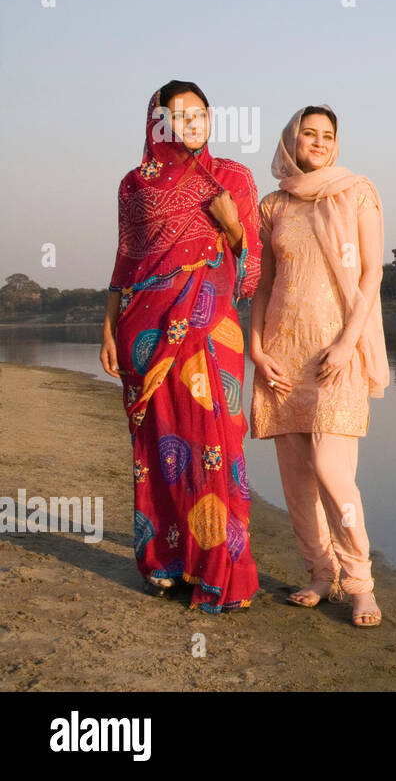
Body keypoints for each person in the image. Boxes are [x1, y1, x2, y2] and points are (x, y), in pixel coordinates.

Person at [100, 81, 262, 613]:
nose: (190, 124)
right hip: (145, 330)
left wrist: (231, 223)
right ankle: (167, 561)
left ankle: (219, 565)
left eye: (199, 115)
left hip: (211, 327)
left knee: (218, 445)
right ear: (157, 123)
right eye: (177, 116)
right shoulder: (134, 185)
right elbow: (127, 258)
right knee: (159, 450)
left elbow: (250, 264)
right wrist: (107, 326)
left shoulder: (233, 178)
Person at [249, 104, 388, 627]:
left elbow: (372, 273)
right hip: (282, 357)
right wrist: (257, 351)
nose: (320, 142)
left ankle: (360, 583)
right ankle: (319, 572)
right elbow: (263, 286)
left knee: (333, 474)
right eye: (309, 134)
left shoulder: (356, 192)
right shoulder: (273, 206)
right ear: (292, 140)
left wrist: (347, 342)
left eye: (328, 135)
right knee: (297, 481)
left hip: (337, 353)